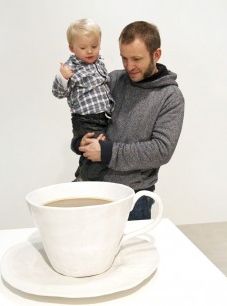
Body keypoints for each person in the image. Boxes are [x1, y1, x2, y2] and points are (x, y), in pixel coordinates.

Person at [75, 21, 185, 220]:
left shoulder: (170, 97)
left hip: (134, 199)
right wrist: (80, 141)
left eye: (136, 59)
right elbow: (88, 114)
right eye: (124, 58)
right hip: (92, 186)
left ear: (156, 54)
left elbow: (161, 151)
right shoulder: (114, 80)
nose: (129, 66)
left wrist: (108, 153)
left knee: (131, 252)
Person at [52, 18, 114, 181]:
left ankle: (83, 174)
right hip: (86, 120)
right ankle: (84, 180)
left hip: (104, 118)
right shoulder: (70, 67)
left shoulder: (99, 62)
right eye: (83, 47)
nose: (90, 51)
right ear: (72, 48)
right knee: (97, 153)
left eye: (94, 46)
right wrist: (63, 78)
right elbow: (58, 93)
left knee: (99, 151)